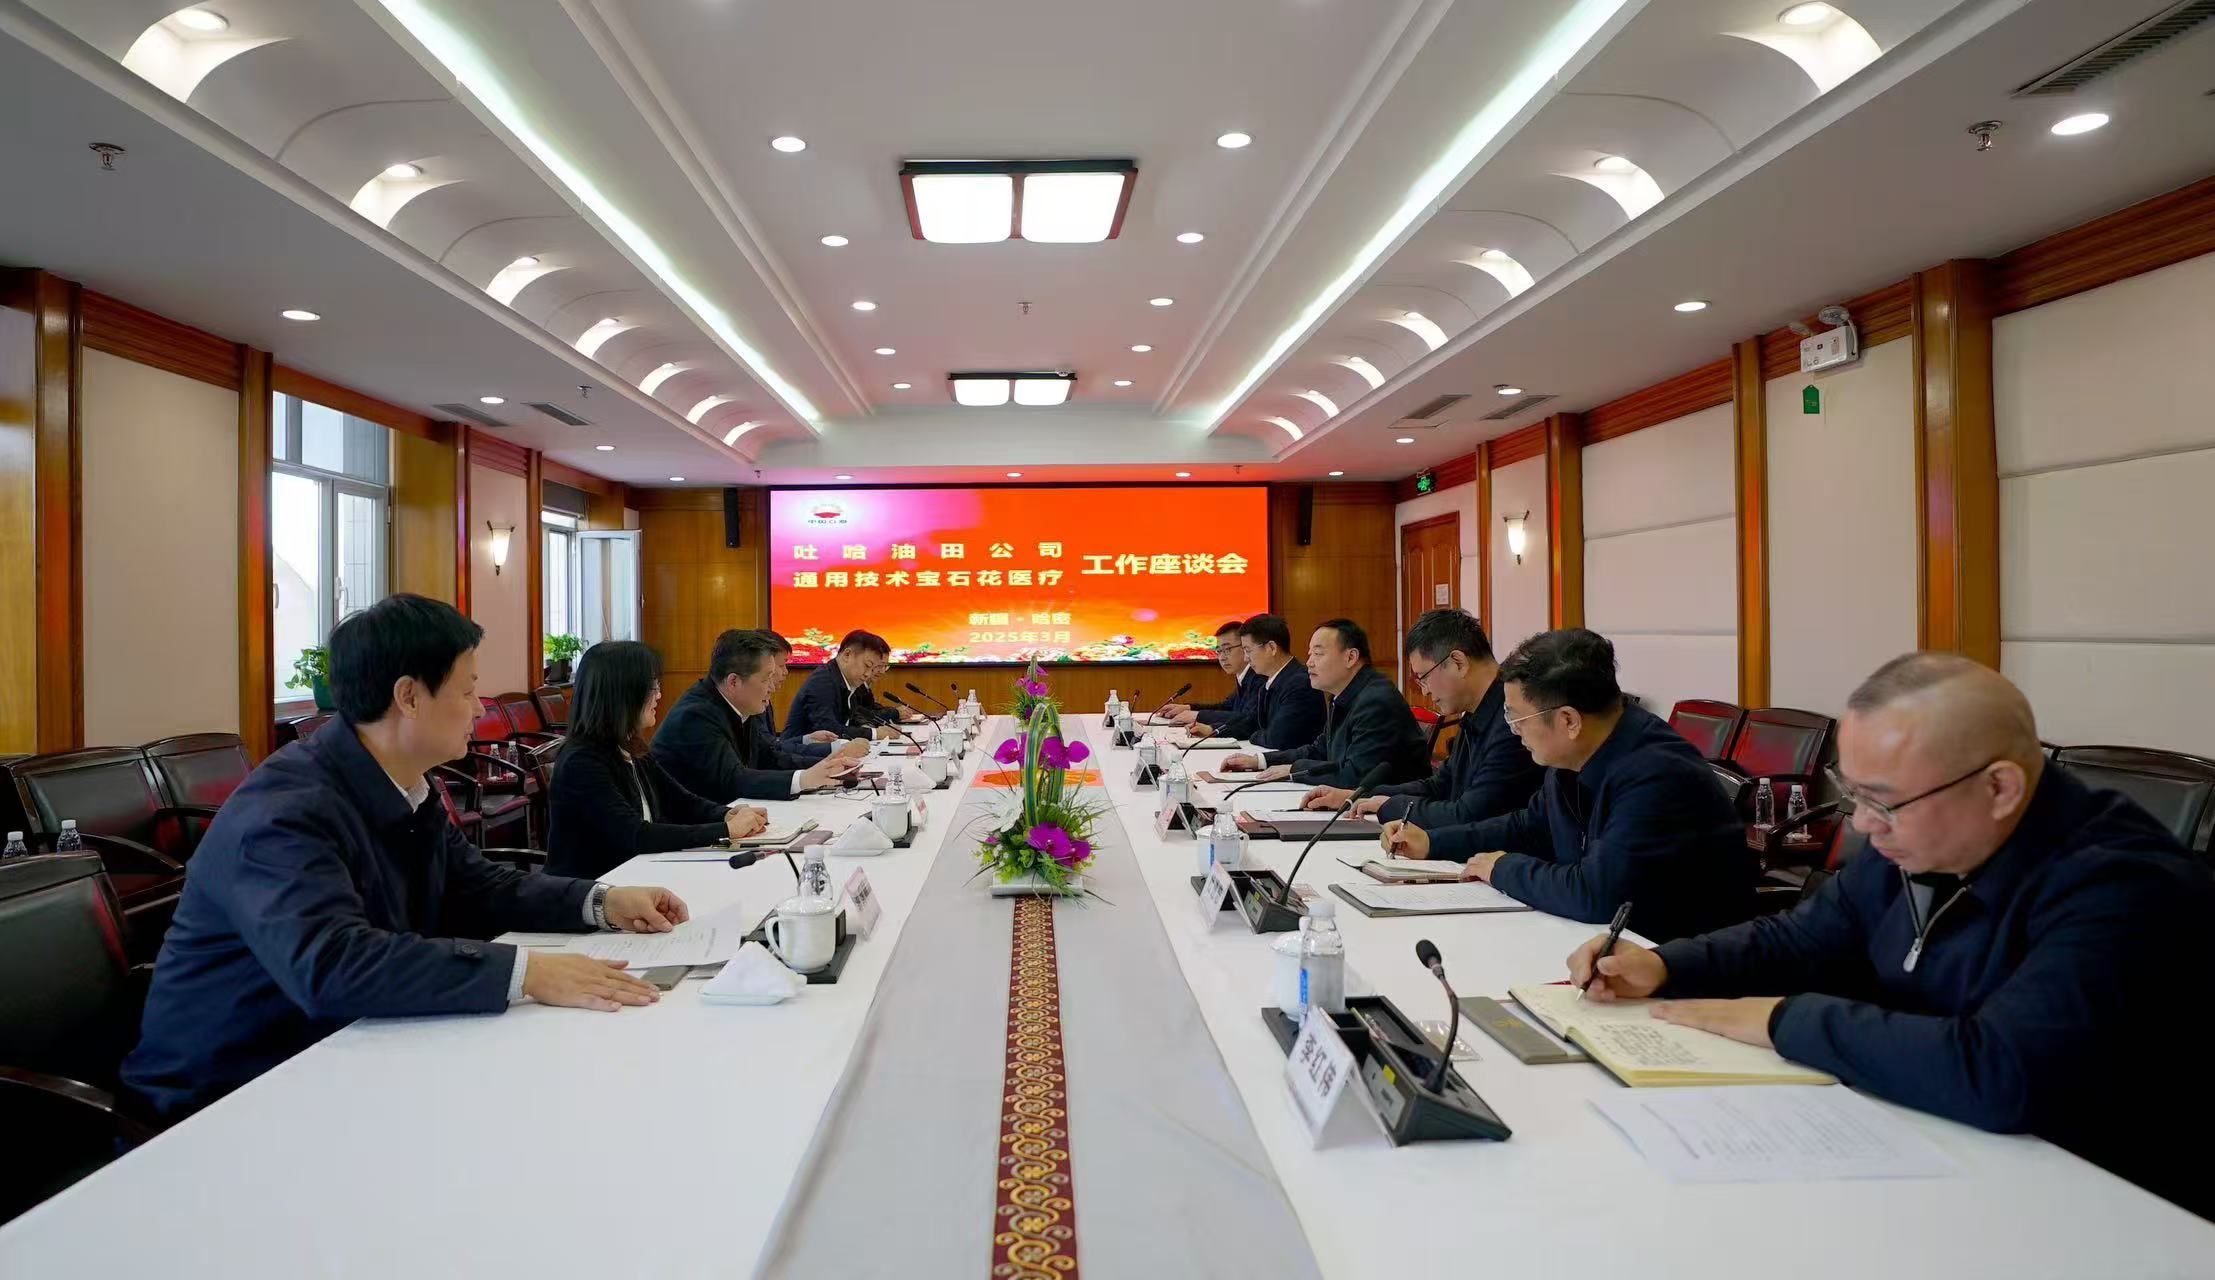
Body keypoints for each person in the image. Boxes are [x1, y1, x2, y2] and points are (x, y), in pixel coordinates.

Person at [1568, 654, 2215, 1220]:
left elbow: (2000, 1070)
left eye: (1883, 801)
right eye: (1854, 795)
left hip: (2108, 1202)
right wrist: (1664, 965)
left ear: (1999, 787)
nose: (1862, 825)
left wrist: (1782, 1020)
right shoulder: (1920, 837)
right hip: (1941, 1146)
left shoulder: (2124, 887)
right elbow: (1803, 939)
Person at [123, 595, 690, 1120]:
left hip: (355, 1052)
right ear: (409, 697)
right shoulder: (284, 813)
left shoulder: (404, 782)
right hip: (229, 1097)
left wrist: (601, 902)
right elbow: (335, 965)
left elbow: (476, 884)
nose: (479, 709)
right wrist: (528, 972)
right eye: (467, 691)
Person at [1381, 627, 1753, 941]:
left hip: (1676, 962)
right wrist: (1433, 842)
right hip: (1605, 945)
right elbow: (1529, 826)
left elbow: (1595, 893)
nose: (1514, 731)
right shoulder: (1573, 754)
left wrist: (1502, 868)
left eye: (1517, 718)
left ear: (1568, 720)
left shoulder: (1656, 773)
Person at [546, 641, 769, 880]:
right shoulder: (582, 761)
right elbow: (635, 835)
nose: (659, 695)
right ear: (623, 693)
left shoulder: (631, 746)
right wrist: (725, 830)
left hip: (640, 874)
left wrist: (726, 814)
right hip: (596, 888)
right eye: (652, 687)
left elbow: (679, 800)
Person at [1302, 608, 1540, 826]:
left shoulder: (1513, 721)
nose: (1424, 691)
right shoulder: (1477, 710)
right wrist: (1358, 796)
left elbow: (1469, 814)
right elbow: (1440, 785)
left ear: (1457, 662)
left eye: (1423, 677)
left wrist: (1390, 806)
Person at [652, 630, 865, 802]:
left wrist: (826, 765)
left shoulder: (741, 705)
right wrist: (803, 779)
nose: (771, 688)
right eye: (765, 679)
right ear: (734, 681)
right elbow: (733, 779)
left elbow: (769, 757)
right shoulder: (696, 715)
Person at [1223, 618, 1429, 788]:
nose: (1309, 662)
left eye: (1318, 654)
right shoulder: (1344, 694)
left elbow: (1356, 776)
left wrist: (1294, 769)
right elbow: (1320, 750)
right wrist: (1262, 761)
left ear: (1351, 657)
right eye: (1310, 654)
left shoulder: (1376, 701)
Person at [1201, 614, 1325, 749]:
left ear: (1271, 648)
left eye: (1248, 650)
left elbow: (1277, 738)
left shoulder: (1300, 683)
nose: (1246, 658)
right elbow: (1251, 723)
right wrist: (1214, 730)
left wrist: (1254, 734)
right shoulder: (1271, 681)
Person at [782, 629, 919, 742]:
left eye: (873, 669)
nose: (868, 674)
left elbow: (855, 719)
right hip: (798, 757)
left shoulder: (847, 681)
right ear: (847, 655)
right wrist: (874, 733)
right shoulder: (823, 682)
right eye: (867, 666)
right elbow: (829, 731)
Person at [1162, 621, 1261, 731]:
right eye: (1219, 651)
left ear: (1245, 647)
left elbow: (1250, 720)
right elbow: (1227, 707)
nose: (1222, 657)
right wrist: (1189, 708)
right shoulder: (1243, 677)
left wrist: (1199, 716)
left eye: (1227, 649)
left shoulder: (1259, 678)